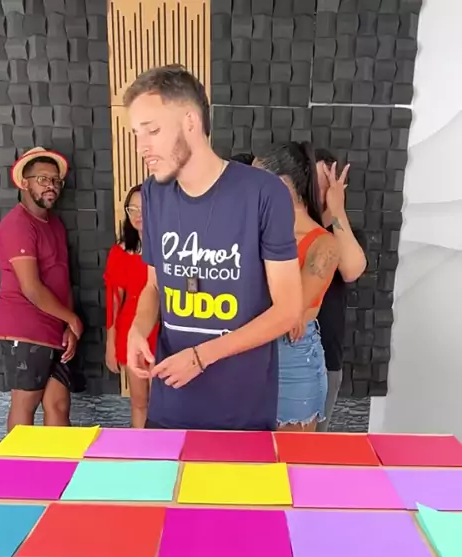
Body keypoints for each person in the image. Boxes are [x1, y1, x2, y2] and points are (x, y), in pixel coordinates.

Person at [124, 64, 305, 431]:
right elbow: (154, 285)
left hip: (241, 413)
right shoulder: (154, 194)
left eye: (153, 131)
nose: (142, 147)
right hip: (171, 405)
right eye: (137, 134)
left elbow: (288, 310)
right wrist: (137, 329)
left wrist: (201, 357)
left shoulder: (263, 193)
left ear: (190, 122)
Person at [0, 147, 83, 431]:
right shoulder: (17, 225)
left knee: (58, 404)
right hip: (25, 328)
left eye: (55, 180)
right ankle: (17, 461)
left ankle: (59, 460)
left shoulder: (54, 225)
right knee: (26, 404)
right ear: (24, 182)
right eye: (42, 179)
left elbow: (62, 278)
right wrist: (72, 319)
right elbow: (31, 288)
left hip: (55, 329)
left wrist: (68, 326)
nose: (51, 185)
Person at [254, 143, 340, 431]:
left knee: (290, 456)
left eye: (255, 181)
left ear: (281, 184)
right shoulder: (255, 232)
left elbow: (287, 313)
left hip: (291, 360)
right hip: (246, 354)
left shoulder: (323, 244)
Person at [315, 148, 367, 431]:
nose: (321, 189)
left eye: (328, 182)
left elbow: (350, 270)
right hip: (282, 359)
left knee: (312, 447)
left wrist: (337, 211)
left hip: (326, 357)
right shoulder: (286, 230)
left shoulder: (347, 235)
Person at [104, 184, 158, 428]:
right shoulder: (121, 251)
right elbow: (114, 300)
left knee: (163, 403)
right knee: (139, 401)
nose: (137, 215)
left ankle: (165, 450)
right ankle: (140, 449)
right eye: (132, 209)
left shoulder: (171, 248)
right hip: (130, 331)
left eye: (143, 209)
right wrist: (111, 343)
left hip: (164, 331)